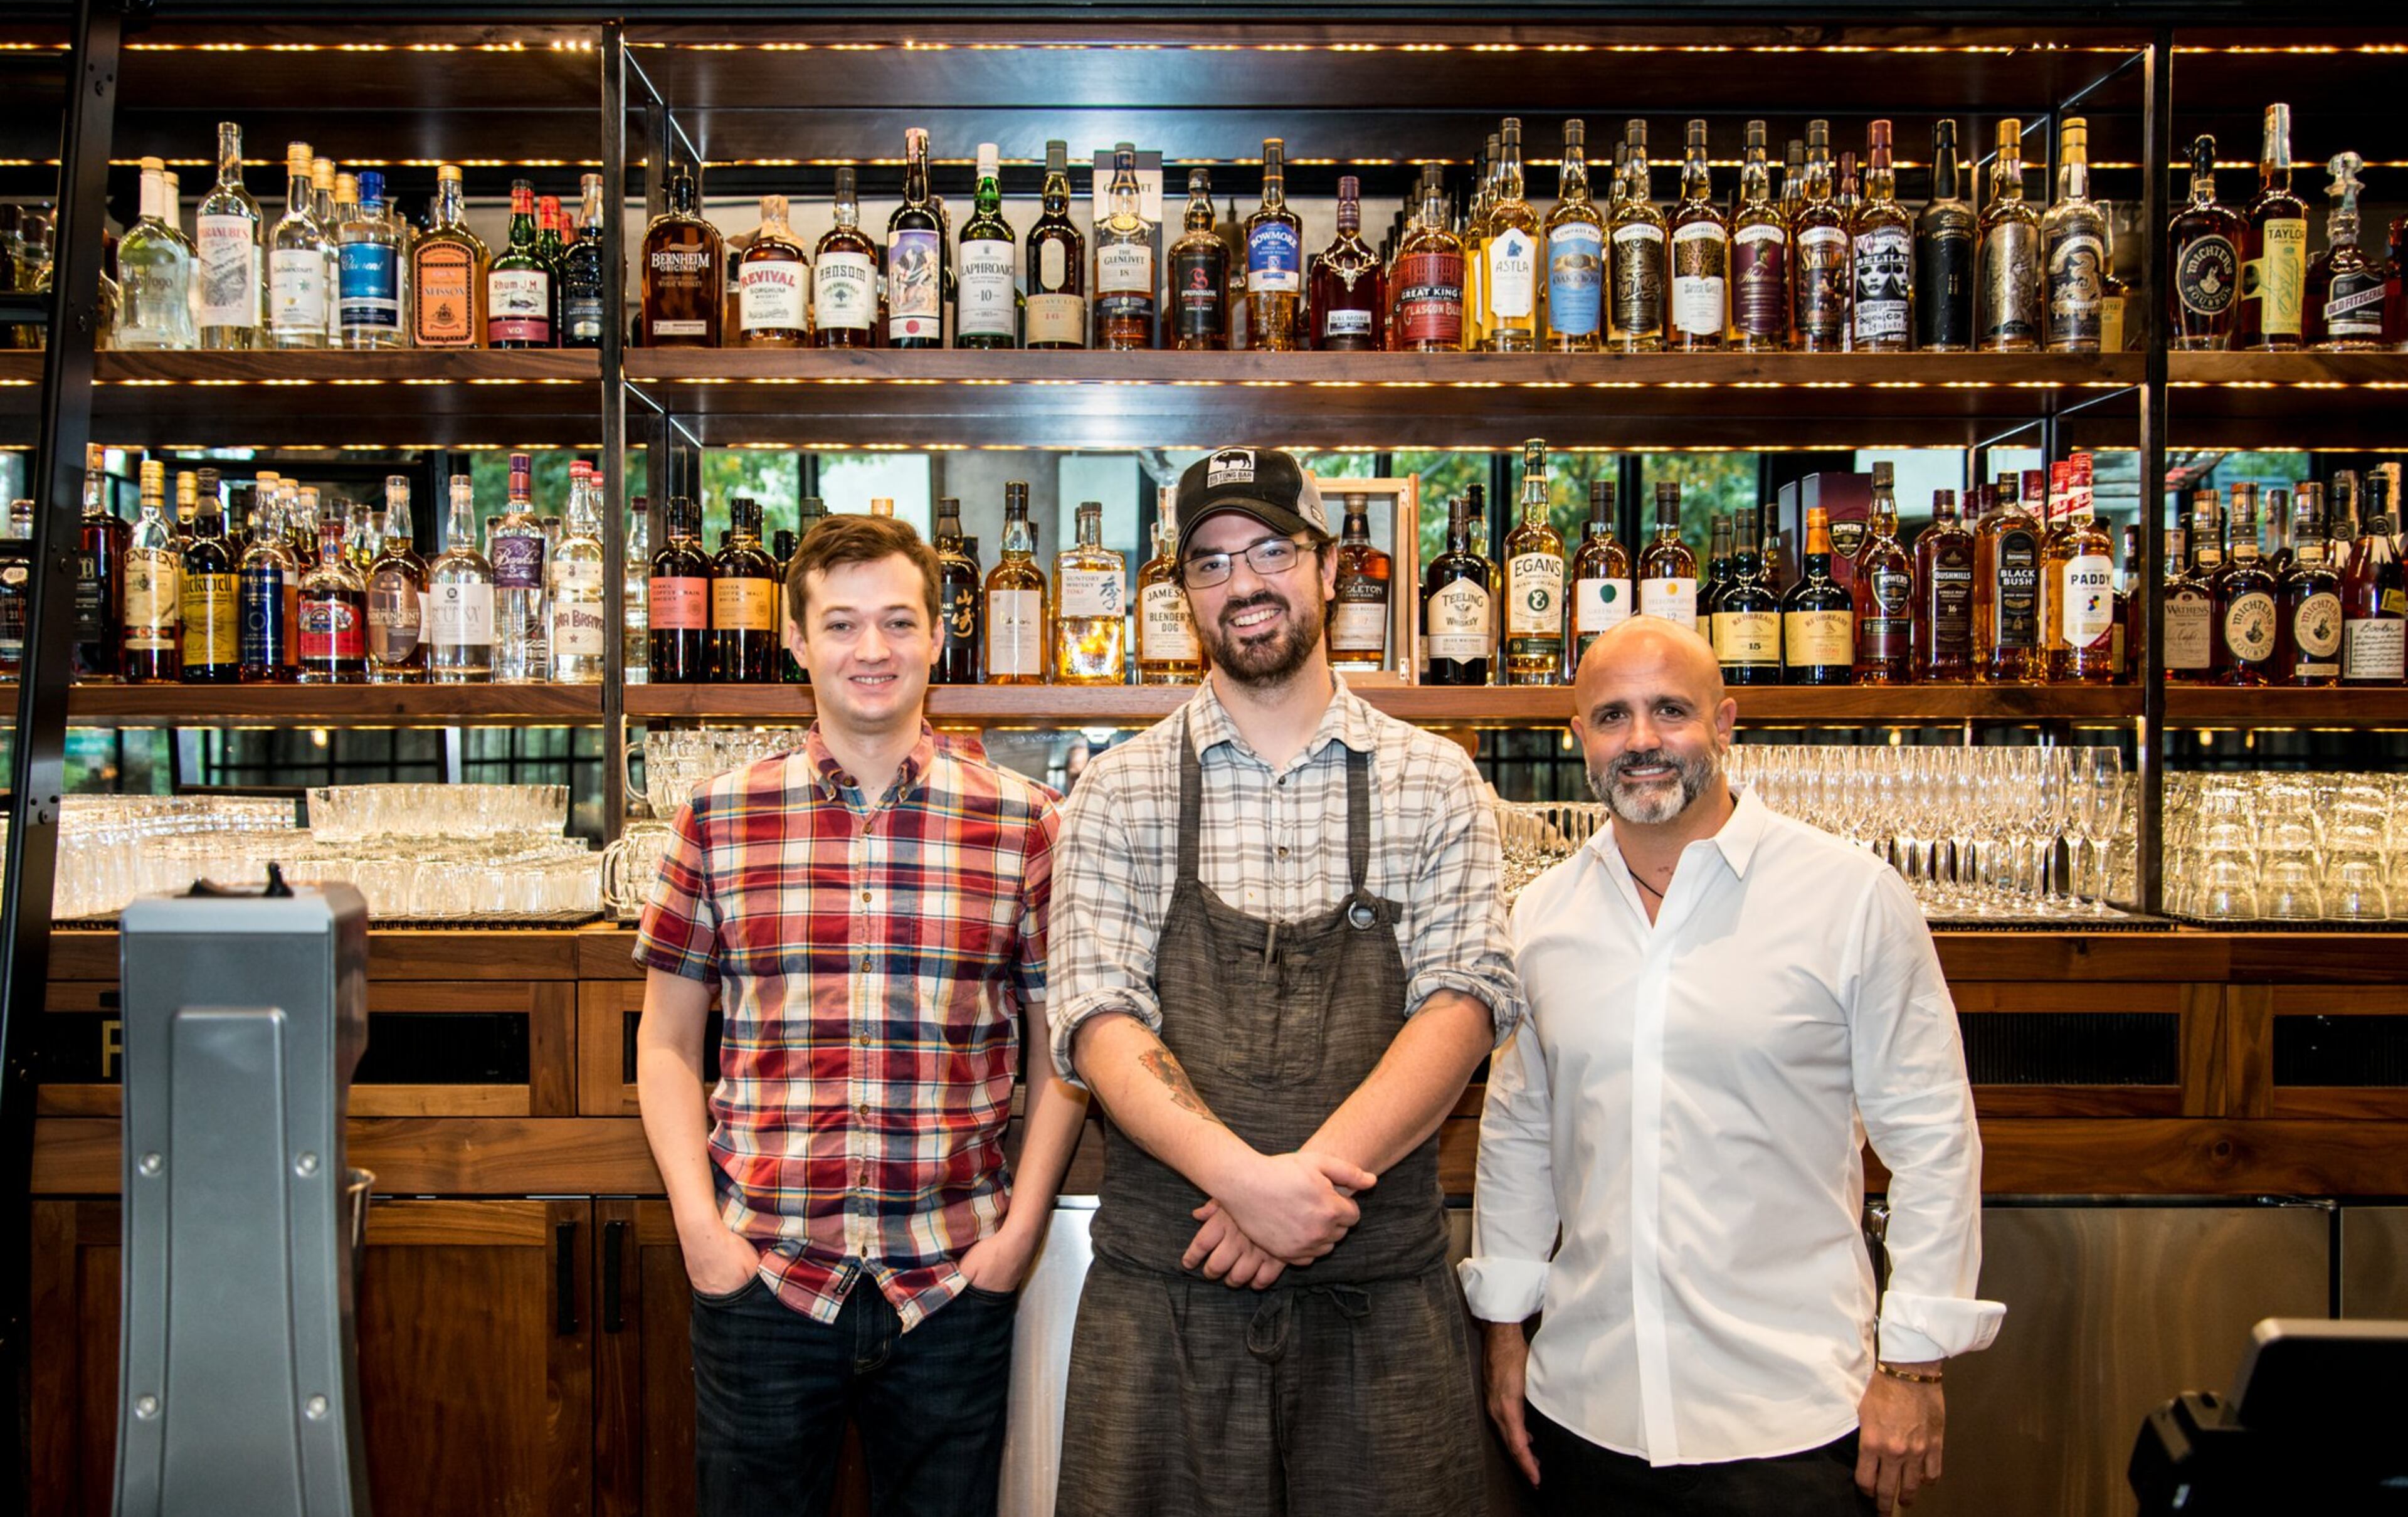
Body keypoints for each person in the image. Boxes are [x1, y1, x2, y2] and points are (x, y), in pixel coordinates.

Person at [1049, 447, 1521, 1517]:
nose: (1244, 583)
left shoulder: (1434, 778)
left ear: (1329, 568)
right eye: (1211, 563)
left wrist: (1303, 1188)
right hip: (1165, 1308)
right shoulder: (1117, 790)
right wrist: (1252, 1188)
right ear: (1184, 595)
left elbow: (1464, 1003)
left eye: (1271, 551)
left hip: (1379, 1316)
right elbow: (1098, 1018)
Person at [1464, 616, 2004, 1517]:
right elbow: (1521, 1127)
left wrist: (1914, 1365)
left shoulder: (1849, 897)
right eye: (1613, 716)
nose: (1642, 739)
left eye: (1671, 711)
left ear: (1725, 722)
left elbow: (1934, 1137)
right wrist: (1506, 1327)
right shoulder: (1542, 915)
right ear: (1579, 737)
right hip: (1586, 1411)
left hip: (1792, 1422)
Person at [631, 512, 1087, 1517]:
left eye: (897, 621)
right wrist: (702, 1235)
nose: (871, 649)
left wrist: (1016, 1239)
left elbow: (1063, 1052)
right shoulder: (717, 815)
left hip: (953, 1281)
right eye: (841, 624)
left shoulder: (1026, 822)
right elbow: (664, 1043)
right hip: (763, 1274)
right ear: (796, 642)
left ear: (938, 635)